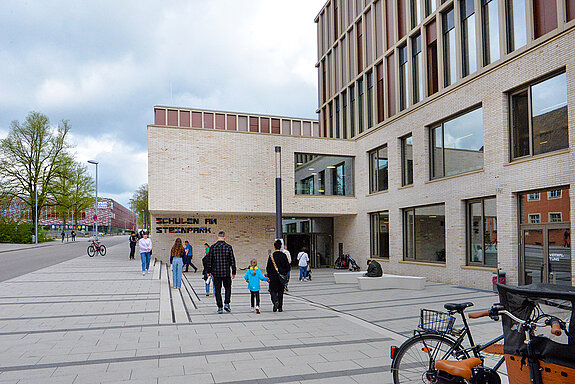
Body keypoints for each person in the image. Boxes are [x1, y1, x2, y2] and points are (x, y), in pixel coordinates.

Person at [205, 231, 236, 314]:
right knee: (228, 288)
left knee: (217, 290)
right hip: (226, 272)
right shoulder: (229, 247)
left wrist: (208, 271)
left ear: (217, 237)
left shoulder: (213, 247)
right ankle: (227, 303)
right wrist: (233, 271)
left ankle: (219, 307)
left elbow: (209, 260)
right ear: (224, 238)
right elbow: (232, 260)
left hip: (216, 272)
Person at [267, 239, 290, 312]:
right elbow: (288, 267)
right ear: (280, 247)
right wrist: (285, 273)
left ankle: (275, 301)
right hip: (281, 277)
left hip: (273, 277)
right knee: (280, 291)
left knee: (272, 290)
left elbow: (268, 267)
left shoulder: (271, 256)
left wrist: (269, 276)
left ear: (274, 247)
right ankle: (280, 307)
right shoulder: (283, 255)